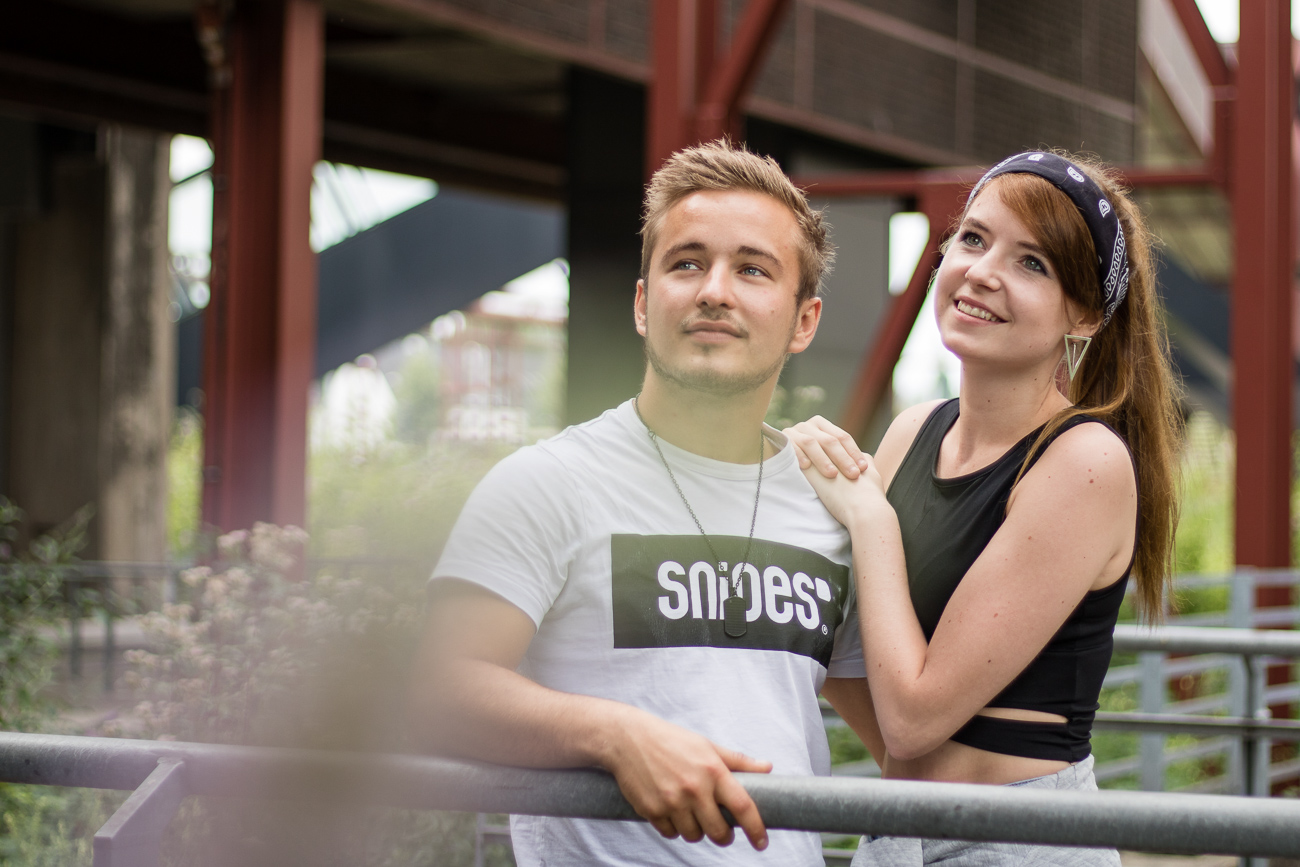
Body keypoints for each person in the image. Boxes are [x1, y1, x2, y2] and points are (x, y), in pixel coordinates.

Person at [408, 140, 878, 866]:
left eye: (752, 269)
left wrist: (876, 521)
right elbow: (437, 691)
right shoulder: (547, 481)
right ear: (642, 301)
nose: (714, 290)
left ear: (804, 321)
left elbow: (905, 738)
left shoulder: (831, 505)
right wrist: (614, 734)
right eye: (686, 263)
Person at [787, 150, 1181, 865]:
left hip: (1019, 839)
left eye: (1032, 263)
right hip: (898, 829)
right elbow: (837, 648)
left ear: (1085, 315)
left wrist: (870, 519)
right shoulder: (913, 431)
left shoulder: (1085, 462)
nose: (982, 271)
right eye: (972, 237)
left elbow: (913, 719)